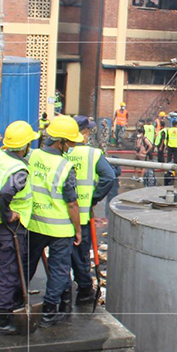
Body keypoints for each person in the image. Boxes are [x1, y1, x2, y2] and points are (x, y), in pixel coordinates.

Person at [0, 120, 38, 336]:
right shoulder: (19, 170)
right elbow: (5, 193)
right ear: (25, 146)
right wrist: (8, 214)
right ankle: (2, 321)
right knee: (9, 273)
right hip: (8, 228)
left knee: (2, 269)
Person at [25, 115, 83, 327]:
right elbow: (72, 203)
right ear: (61, 142)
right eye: (71, 143)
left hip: (34, 223)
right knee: (59, 270)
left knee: (27, 265)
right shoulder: (64, 167)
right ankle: (49, 314)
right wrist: (78, 230)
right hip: (60, 229)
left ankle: (16, 302)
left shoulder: (32, 156)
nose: (72, 147)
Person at [67, 115, 117, 307]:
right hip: (81, 215)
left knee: (61, 257)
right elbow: (109, 177)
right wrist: (93, 198)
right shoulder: (92, 154)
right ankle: (84, 292)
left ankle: (63, 296)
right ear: (83, 133)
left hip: (57, 214)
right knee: (80, 255)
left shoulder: (59, 151)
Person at [160, 116, 177, 185]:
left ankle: (168, 170)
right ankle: (175, 171)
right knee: (176, 159)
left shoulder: (169, 130)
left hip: (170, 145)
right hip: (176, 146)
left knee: (169, 158)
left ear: (172, 124)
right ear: (176, 124)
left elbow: (167, 138)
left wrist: (166, 146)